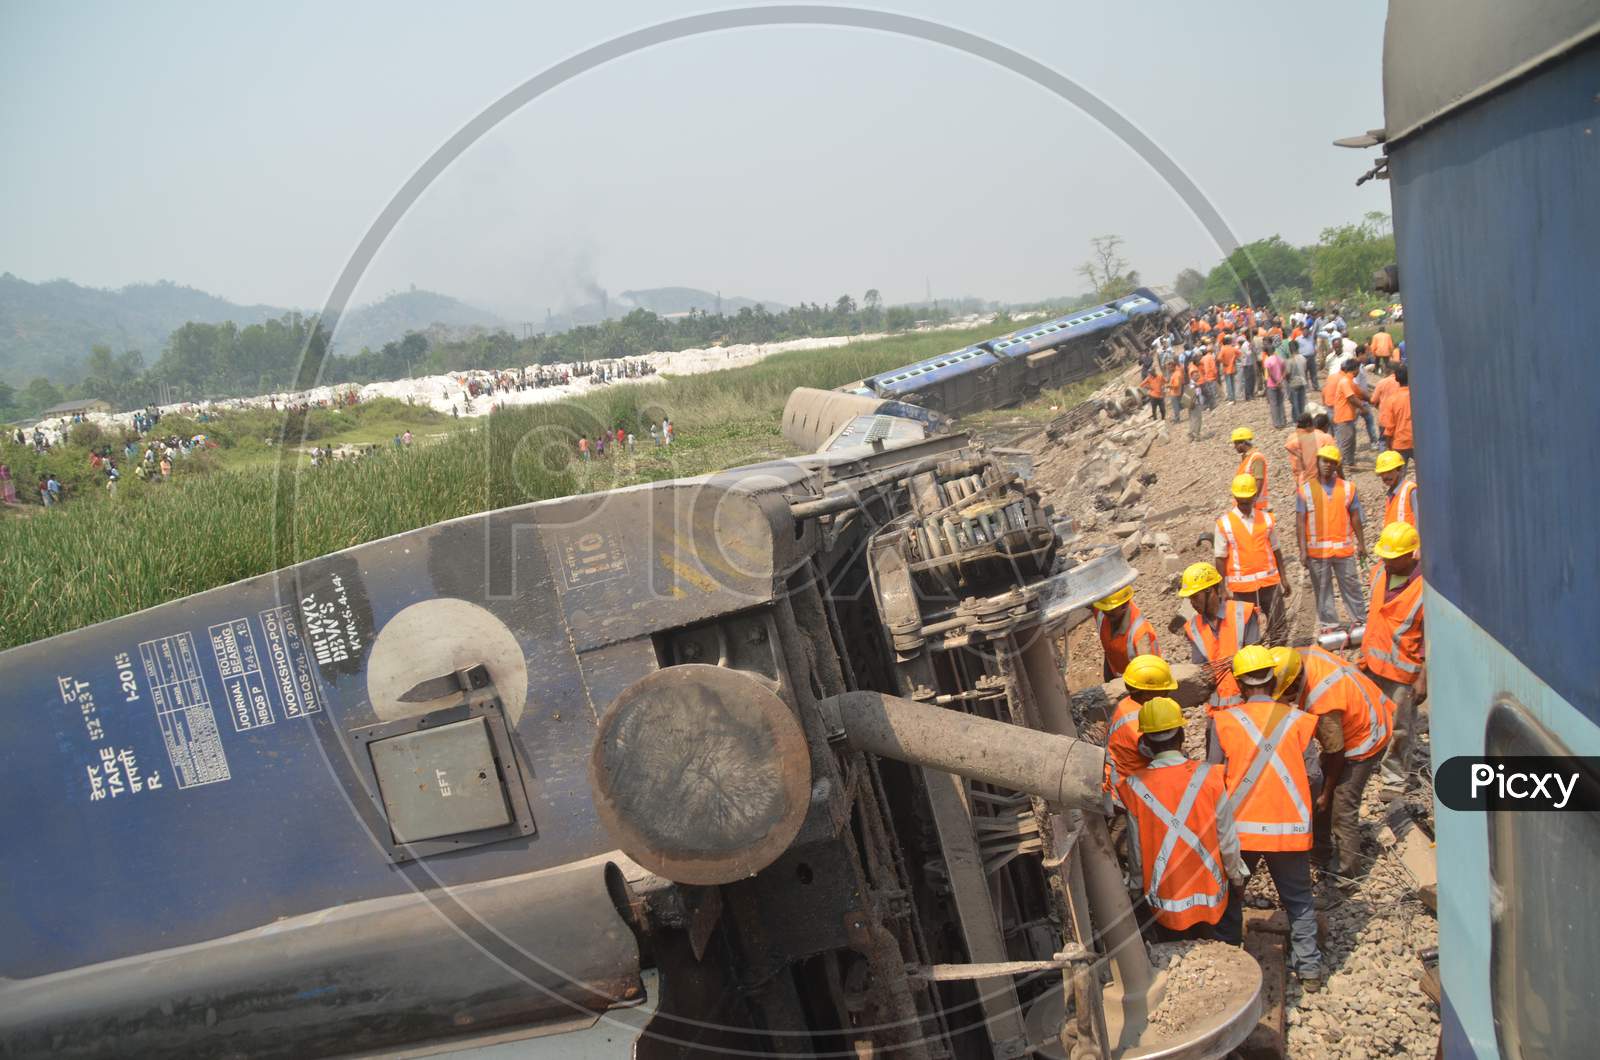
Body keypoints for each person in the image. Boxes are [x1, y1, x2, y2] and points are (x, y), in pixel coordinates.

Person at [1210, 647, 1326, 989]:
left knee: (1231, 897)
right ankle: (1309, 970)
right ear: (1273, 679)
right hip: (1289, 830)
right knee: (1299, 900)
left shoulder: (1223, 721)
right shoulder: (1298, 720)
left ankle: (1231, 962)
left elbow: (1215, 777)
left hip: (1241, 831)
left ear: (1240, 683)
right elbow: (1314, 776)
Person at [1117, 696, 1247, 938]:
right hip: (1212, 895)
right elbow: (1227, 838)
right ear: (1181, 736)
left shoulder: (1134, 786)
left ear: (1145, 742)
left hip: (1166, 901)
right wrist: (1236, 878)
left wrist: (1136, 887)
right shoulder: (1211, 777)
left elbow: (1136, 850)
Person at [1270, 645, 1393, 888]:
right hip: (1360, 712)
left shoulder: (1322, 701)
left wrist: (1326, 793)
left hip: (1364, 738)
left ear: (1294, 684)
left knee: (1342, 805)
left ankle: (1348, 873)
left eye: (1286, 694)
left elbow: (1335, 753)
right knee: (1320, 792)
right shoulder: (1299, 658)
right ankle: (1321, 852)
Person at [1362, 522, 1426, 785]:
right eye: (1383, 556)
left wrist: (1424, 678)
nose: (1385, 562)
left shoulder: (1425, 589)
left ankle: (1394, 776)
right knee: (1376, 718)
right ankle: (1376, 760)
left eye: (1392, 558)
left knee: (1400, 727)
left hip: (1402, 673)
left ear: (1411, 555)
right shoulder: (1380, 572)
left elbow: (1431, 639)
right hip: (1373, 664)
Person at [1296, 446, 1368, 629]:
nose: (1327, 465)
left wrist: (1361, 543)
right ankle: (1329, 625)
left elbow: (1355, 517)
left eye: (1331, 462)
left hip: (1343, 550)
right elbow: (1300, 522)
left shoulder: (1348, 488)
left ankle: (1359, 620)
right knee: (1323, 590)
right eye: (1324, 461)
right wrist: (1303, 550)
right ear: (1318, 462)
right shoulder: (1305, 491)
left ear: (1337, 465)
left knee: (1351, 586)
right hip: (1317, 552)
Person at [1215, 475, 1291, 644]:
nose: (1245, 506)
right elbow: (1219, 558)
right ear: (1235, 498)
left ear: (1254, 497)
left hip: (1270, 583)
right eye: (1242, 502)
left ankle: (1281, 660)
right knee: (1248, 634)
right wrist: (1222, 588)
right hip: (1242, 589)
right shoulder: (1224, 524)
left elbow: (1276, 550)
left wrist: (1284, 579)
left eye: (1248, 501)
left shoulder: (1266, 519)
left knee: (1278, 629)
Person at [1177, 561, 1261, 710]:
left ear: (1210, 590)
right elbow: (1202, 673)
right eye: (1190, 599)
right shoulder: (1193, 628)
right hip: (1217, 712)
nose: (1192, 603)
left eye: (1195, 597)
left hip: (1249, 707)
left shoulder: (1243, 613)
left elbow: (1256, 664)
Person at [1103, 654, 1181, 790]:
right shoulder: (1141, 726)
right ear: (1147, 694)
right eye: (1164, 692)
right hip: (1130, 794)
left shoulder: (1126, 704)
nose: (1167, 695)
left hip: (1118, 784)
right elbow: (1168, 763)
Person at [1091, 586, 1161, 681]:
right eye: (1104, 608)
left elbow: (1150, 674)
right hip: (1112, 666)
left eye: (1111, 609)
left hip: (1135, 680)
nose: (1106, 612)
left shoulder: (1141, 634)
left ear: (1125, 605)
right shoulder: (1102, 610)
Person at [1328, 358, 1371, 470]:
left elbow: (1360, 393)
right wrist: (1362, 408)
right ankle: (1344, 466)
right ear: (1355, 369)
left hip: (1349, 416)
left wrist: (1374, 400)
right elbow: (1351, 398)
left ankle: (1350, 463)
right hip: (1343, 417)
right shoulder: (1345, 382)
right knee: (1346, 442)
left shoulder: (1349, 381)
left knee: (1351, 440)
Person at [1377, 365, 1414, 465]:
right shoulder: (1417, 396)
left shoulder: (1392, 400)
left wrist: (1389, 447)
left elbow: (1389, 427)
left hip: (1399, 443)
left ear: (1396, 379)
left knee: (1399, 476)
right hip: (1417, 443)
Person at [1375, 451, 1418, 529]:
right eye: (1382, 473)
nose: (1385, 476)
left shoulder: (1411, 491)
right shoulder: (1392, 494)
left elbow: (1420, 523)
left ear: (1400, 470)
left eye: (1389, 471)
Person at [1230, 427, 1269, 510]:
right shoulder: (1248, 457)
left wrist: (1252, 502)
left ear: (1243, 443)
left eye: (1236, 444)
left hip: (1254, 506)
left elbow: (1259, 480)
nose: (1235, 447)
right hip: (1246, 504)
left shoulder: (1256, 458)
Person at [1264, 343, 1287, 427]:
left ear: (1267, 352)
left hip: (1271, 384)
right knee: (1281, 403)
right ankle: (1283, 421)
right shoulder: (1280, 358)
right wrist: (1281, 380)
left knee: (1274, 404)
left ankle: (1277, 423)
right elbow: (1285, 370)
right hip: (1280, 383)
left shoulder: (1267, 360)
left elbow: (1270, 373)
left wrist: (1276, 382)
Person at [1166, 359, 1185, 423]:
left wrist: (1169, 386)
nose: (1168, 369)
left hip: (1175, 392)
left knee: (1175, 406)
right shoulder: (1174, 373)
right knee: (1177, 405)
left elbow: (1176, 385)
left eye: (1169, 368)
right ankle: (1177, 418)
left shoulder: (1176, 374)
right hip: (1175, 392)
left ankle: (1177, 419)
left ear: (1173, 367)